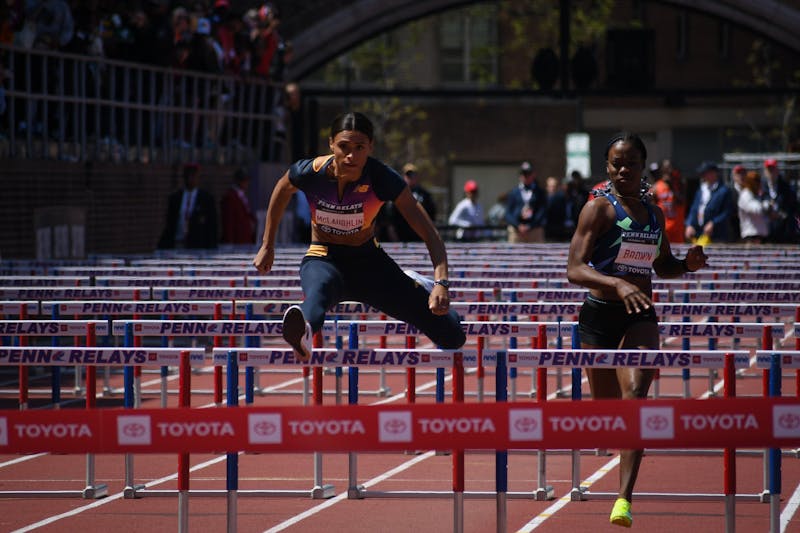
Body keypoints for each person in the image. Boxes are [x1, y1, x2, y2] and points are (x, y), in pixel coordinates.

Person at [566, 132, 708, 528]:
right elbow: (574, 268)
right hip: (598, 316)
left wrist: (686, 266)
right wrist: (617, 283)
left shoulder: (654, 214)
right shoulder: (598, 210)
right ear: (607, 167)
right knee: (610, 415)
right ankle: (621, 464)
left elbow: (661, 265)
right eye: (616, 163)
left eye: (631, 162)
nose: (623, 169)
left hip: (640, 316)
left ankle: (623, 499)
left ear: (643, 166)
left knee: (635, 400)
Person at [252, 112, 466, 361]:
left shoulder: (382, 178)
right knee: (318, 293)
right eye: (343, 146)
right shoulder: (311, 171)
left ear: (370, 147)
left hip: (370, 264)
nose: (351, 156)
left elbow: (430, 233)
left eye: (359, 147)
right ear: (331, 144)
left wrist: (441, 283)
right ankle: (304, 330)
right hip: (324, 258)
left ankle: (419, 284)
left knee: (452, 337)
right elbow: (282, 188)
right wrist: (268, 244)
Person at [158, 162, 218, 249]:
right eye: (188, 176)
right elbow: (170, 223)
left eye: (193, 176)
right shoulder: (175, 198)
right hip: (178, 242)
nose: (190, 179)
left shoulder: (206, 199)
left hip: (198, 245)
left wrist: (211, 246)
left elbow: (212, 225)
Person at [381, 163, 438, 242]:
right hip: (401, 237)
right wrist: (394, 239)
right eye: (408, 175)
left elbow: (431, 215)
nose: (411, 177)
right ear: (403, 176)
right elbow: (390, 219)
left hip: (420, 238)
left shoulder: (424, 194)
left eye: (413, 175)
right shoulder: (396, 193)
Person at [685, 161, 734, 244]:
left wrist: (713, 223)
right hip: (699, 234)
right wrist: (689, 224)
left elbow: (727, 212)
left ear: (714, 173)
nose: (703, 176)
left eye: (705, 173)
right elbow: (694, 209)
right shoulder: (701, 190)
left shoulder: (724, 191)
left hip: (717, 236)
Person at [505, 161, 546, 243]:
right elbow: (508, 213)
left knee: (537, 254)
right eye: (523, 174)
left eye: (528, 174)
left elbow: (542, 211)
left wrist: (530, 226)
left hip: (534, 230)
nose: (525, 176)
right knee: (515, 254)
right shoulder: (513, 192)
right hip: (516, 231)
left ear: (533, 175)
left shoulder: (540, 192)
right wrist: (518, 225)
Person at [762, 158, 799, 243]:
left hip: (784, 230)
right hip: (766, 231)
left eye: (773, 169)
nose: (771, 172)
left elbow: (793, 207)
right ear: (765, 171)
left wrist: (782, 215)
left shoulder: (786, 187)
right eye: (769, 169)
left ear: (777, 170)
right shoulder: (760, 186)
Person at [651, 162, 686, 243]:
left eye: (670, 168)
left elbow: (682, 201)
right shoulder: (656, 186)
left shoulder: (680, 185)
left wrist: (672, 187)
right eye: (666, 169)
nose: (668, 171)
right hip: (663, 229)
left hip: (677, 229)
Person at [220, 167, 256, 245]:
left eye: (246, 180)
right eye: (243, 180)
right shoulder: (230, 197)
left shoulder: (242, 195)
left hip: (245, 240)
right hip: (237, 241)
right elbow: (228, 222)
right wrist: (229, 241)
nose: (246, 183)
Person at [737, 170, 770, 244]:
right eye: (755, 181)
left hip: (761, 236)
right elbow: (757, 210)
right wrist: (767, 204)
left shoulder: (757, 195)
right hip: (751, 236)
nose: (758, 184)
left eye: (758, 181)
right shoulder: (745, 194)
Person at [544, 175, 568, 241]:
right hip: (547, 229)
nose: (553, 188)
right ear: (547, 187)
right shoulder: (543, 199)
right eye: (550, 186)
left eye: (554, 186)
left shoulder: (561, 198)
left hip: (559, 230)